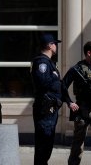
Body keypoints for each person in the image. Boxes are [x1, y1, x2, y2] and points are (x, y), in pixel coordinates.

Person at [30, 33, 64, 165]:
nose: (56, 46)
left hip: (50, 108)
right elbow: (43, 82)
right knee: (44, 141)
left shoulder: (48, 62)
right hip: (45, 108)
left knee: (47, 142)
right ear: (50, 46)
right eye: (55, 44)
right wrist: (56, 78)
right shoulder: (42, 62)